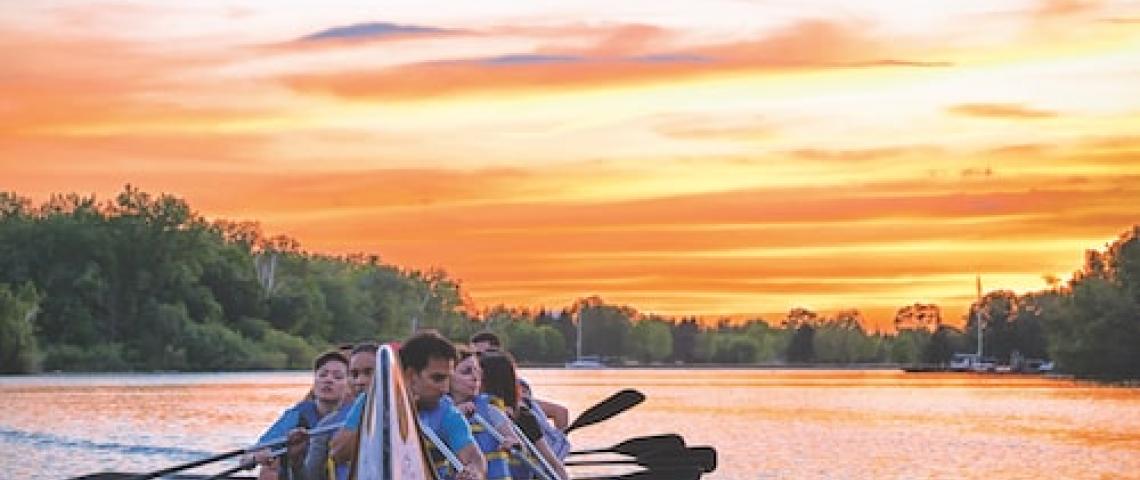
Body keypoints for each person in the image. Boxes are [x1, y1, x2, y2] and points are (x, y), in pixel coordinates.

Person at [330, 331, 487, 480]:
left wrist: (474, 473)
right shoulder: (370, 402)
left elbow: (474, 458)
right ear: (410, 375)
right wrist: (386, 411)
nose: (445, 389)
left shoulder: (446, 412)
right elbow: (338, 453)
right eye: (437, 378)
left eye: (448, 379)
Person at [470, 331, 571, 458]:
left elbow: (560, 412)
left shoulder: (520, 392)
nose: (476, 359)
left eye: (481, 354)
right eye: (473, 354)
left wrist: (557, 450)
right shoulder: (471, 389)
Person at [253, 351, 349, 480]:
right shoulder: (298, 414)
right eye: (322, 375)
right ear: (314, 382)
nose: (328, 380)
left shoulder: (354, 415)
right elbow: (255, 451)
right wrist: (256, 456)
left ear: (350, 385)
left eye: (338, 377)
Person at [479, 352, 568, 480]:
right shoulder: (472, 411)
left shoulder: (522, 417)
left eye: (478, 376)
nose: (474, 381)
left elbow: (553, 463)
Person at [301, 343, 376, 480]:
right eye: (354, 375)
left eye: (369, 373)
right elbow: (312, 475)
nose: (360, 381)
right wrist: (296, 462)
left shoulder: (408, 413)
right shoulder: (327, 425)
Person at [450, 347, 517, 480]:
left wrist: (512, 442)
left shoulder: (490, 409)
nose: (475, 378)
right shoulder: (438, 413)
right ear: (448, 377)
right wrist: (455, 414)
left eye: (478, 372)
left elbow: (514, 439)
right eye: (466, 372)